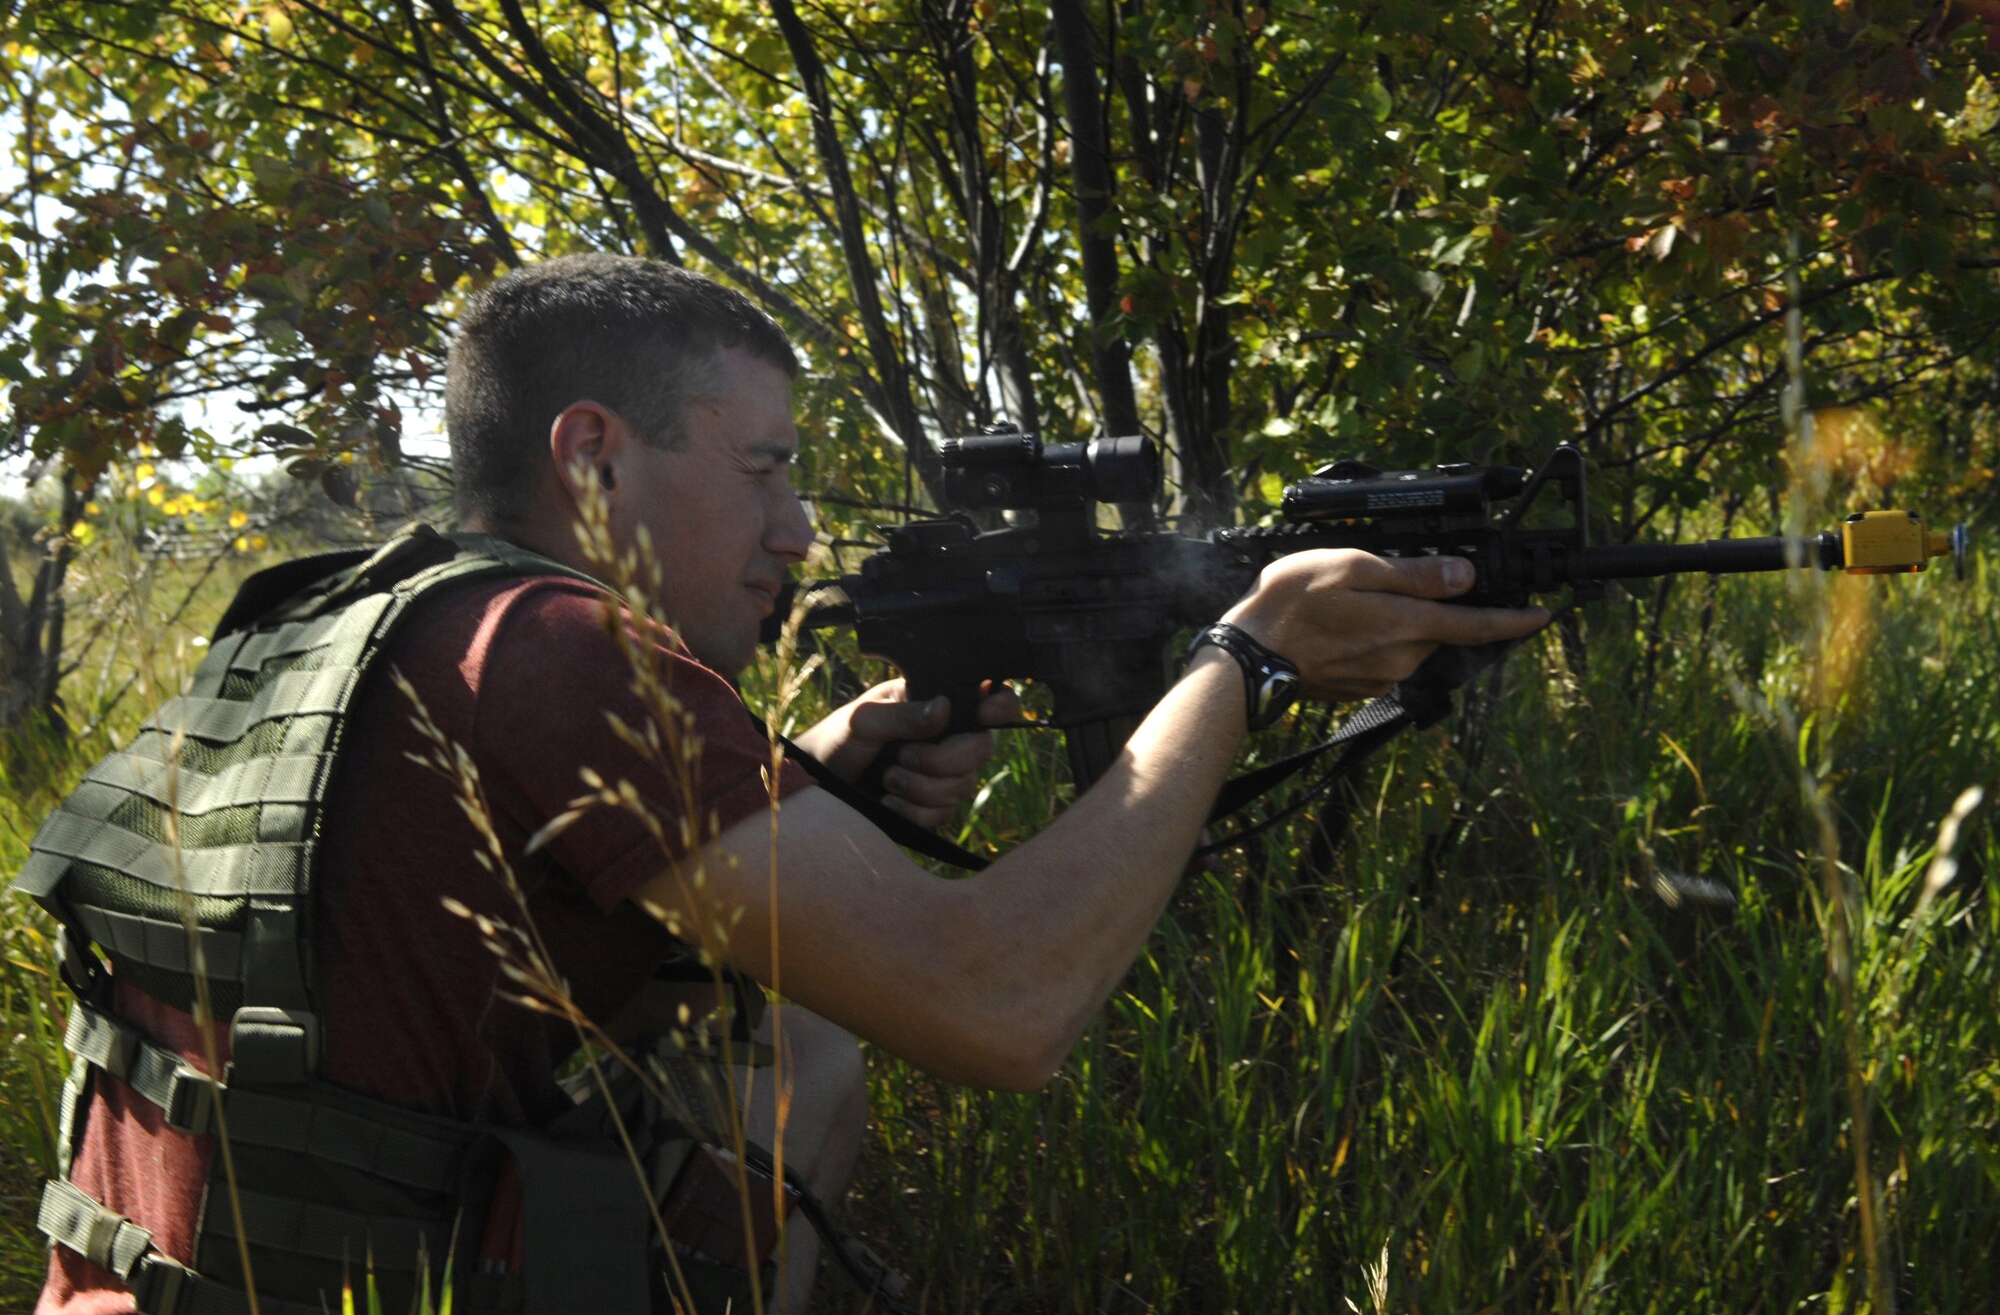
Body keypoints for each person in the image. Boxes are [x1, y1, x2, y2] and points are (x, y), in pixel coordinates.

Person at [23, 254, 1549, 1315]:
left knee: (797, 1020)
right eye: (764, 468)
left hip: (163, 1281)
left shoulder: (356, 620)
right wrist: (1249, 659)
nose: (804, 527)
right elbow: (1003, 1008)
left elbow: (431, 922)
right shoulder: (563, 651)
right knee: (810, 1037)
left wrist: (810, 775)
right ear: (594, 454)